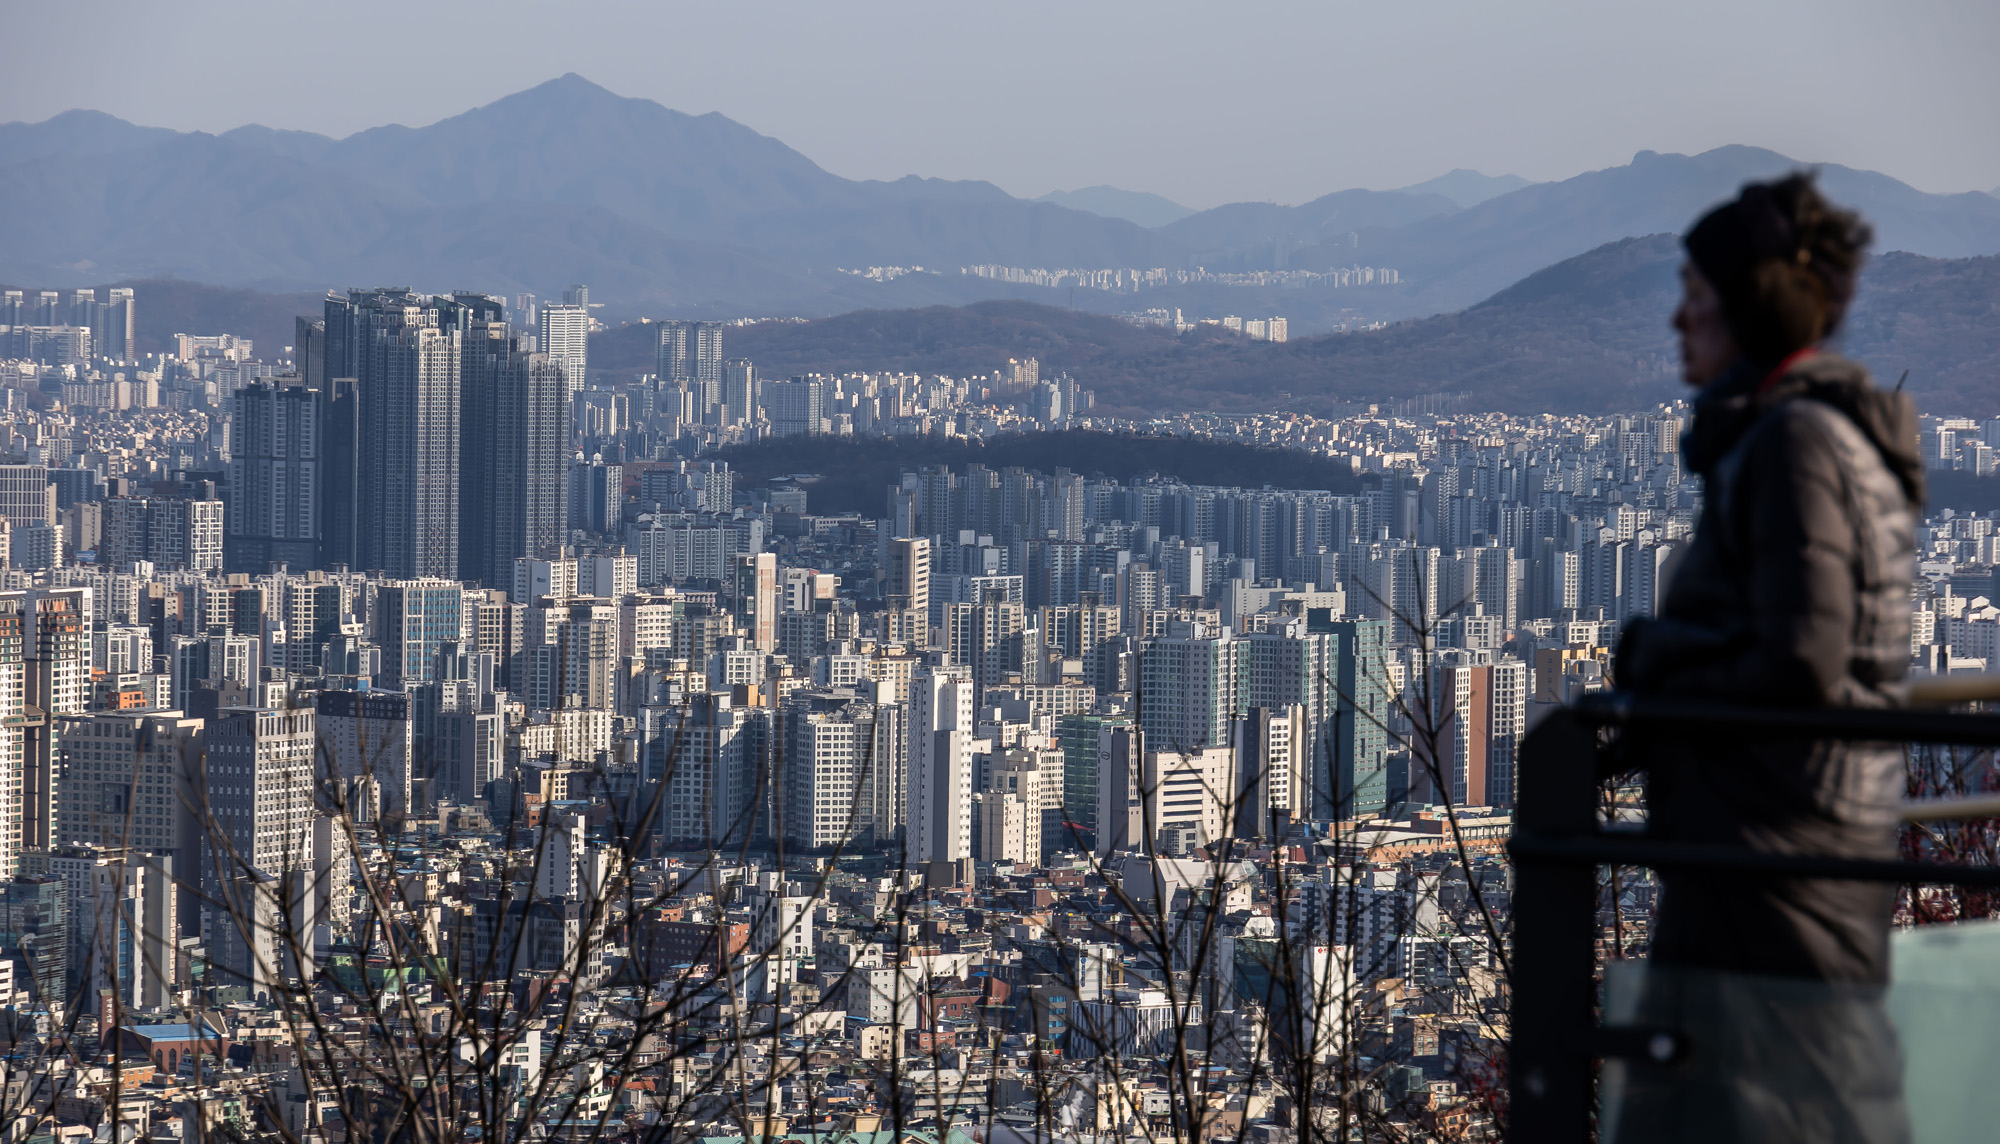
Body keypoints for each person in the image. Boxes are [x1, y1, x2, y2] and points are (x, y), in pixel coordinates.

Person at [1609, 173, 1924, 1143]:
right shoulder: (1815, 435)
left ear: (1747, 308)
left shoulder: (1793, 443)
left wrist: (1654, 660)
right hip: (1790, 842)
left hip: (1773, 855)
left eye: (1695, 296)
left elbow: (1802, 657)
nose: (1677, 320)